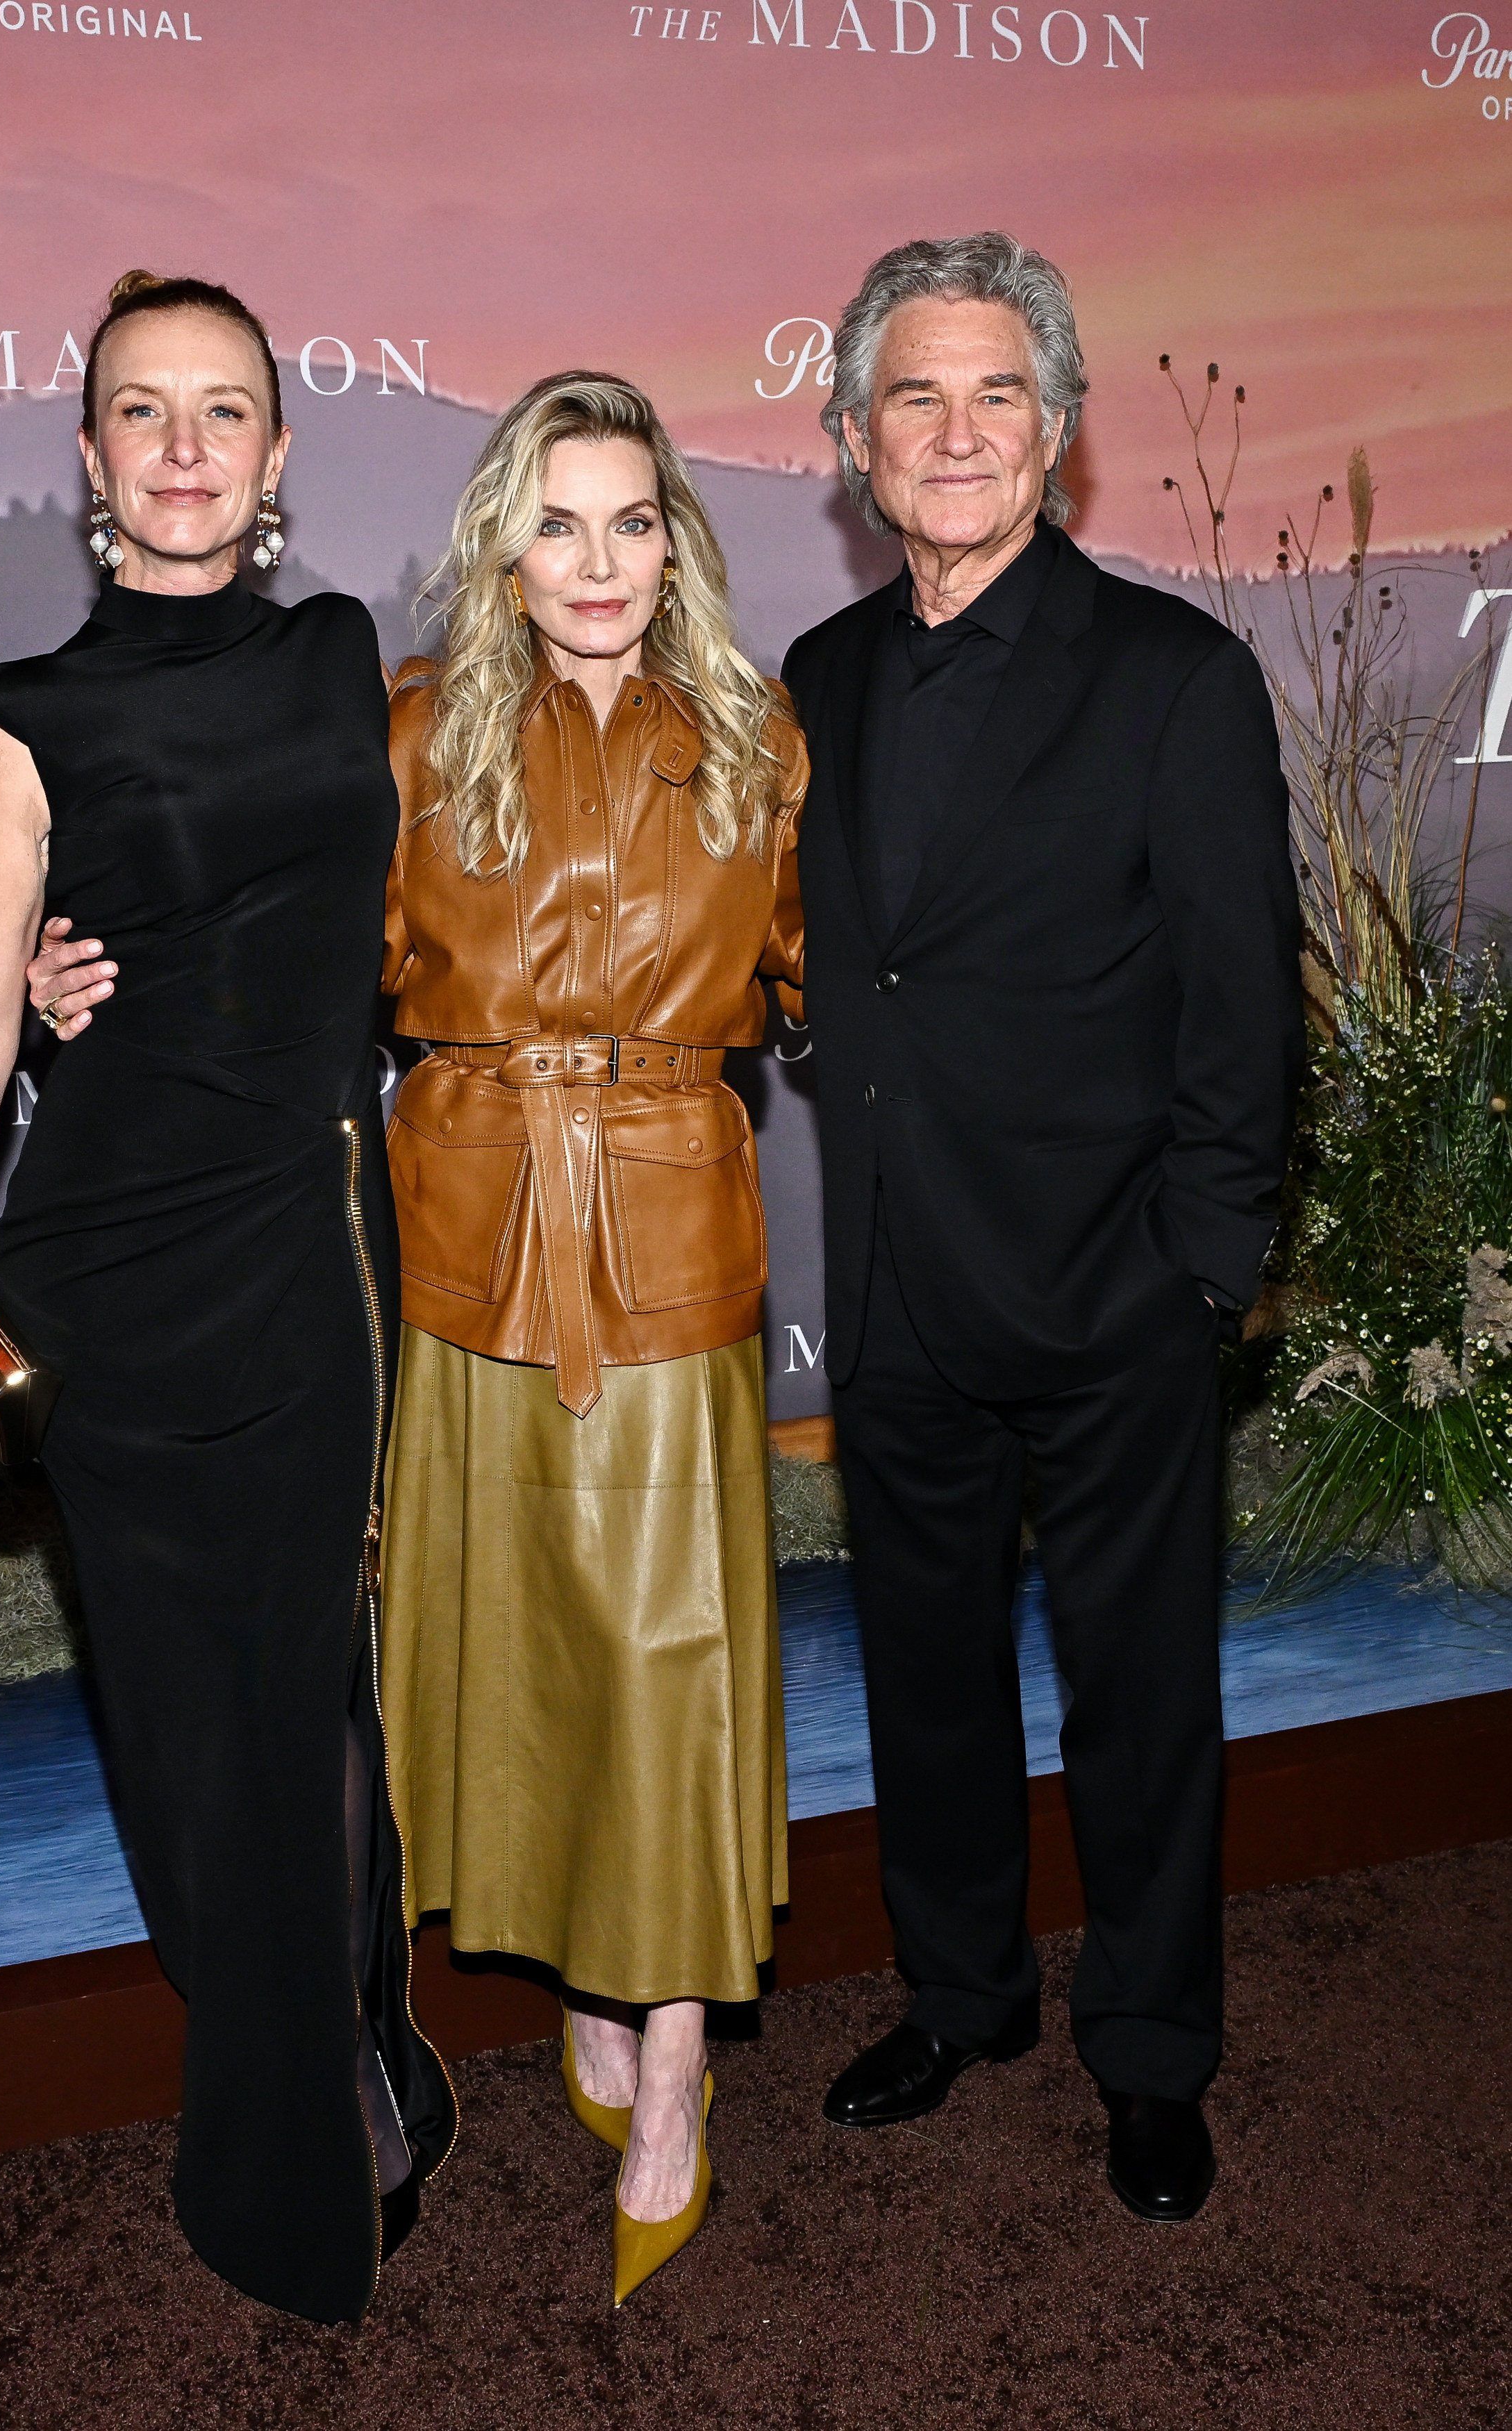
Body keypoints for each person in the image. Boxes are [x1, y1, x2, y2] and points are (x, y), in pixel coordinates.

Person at [30, 370, 810, 2305]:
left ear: (677, 547)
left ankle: (675, 2064)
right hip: (455, 1250)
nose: (597, 561)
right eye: (557, 521)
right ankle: (589, 1985)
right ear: (501, 545)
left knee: (674, 1664)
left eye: (633, 521)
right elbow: (277, 955)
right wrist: (83, 976)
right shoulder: (407, 732)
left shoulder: (760, 737)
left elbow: (836, 973)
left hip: (672, 1243)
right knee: (509, 1654)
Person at [0, 269, 455, 2324]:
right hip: (112, 1285)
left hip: (302, 1264)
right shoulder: (19, 717)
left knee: (306, 1707)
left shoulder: (340, 653)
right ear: (92, 457)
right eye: (144, 408)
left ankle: (328, 2103)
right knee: (190, 1741)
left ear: (278, 455)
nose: (185, 445)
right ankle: (323, 2058)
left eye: (224, 409)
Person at [782, 233, 1302, 2223]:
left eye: (995, 392)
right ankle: (963, 1993)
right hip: (896, 1290)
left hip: (1114, 1299)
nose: (954, 431)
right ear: (853, 440)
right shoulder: (815, 682)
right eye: (911, 395)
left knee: (1140, 1703)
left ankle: (1153, 2053)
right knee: (926, 1680)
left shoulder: (1175, 678)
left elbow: (1243, 1013)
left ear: (1061, 428)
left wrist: (1202, 1273)